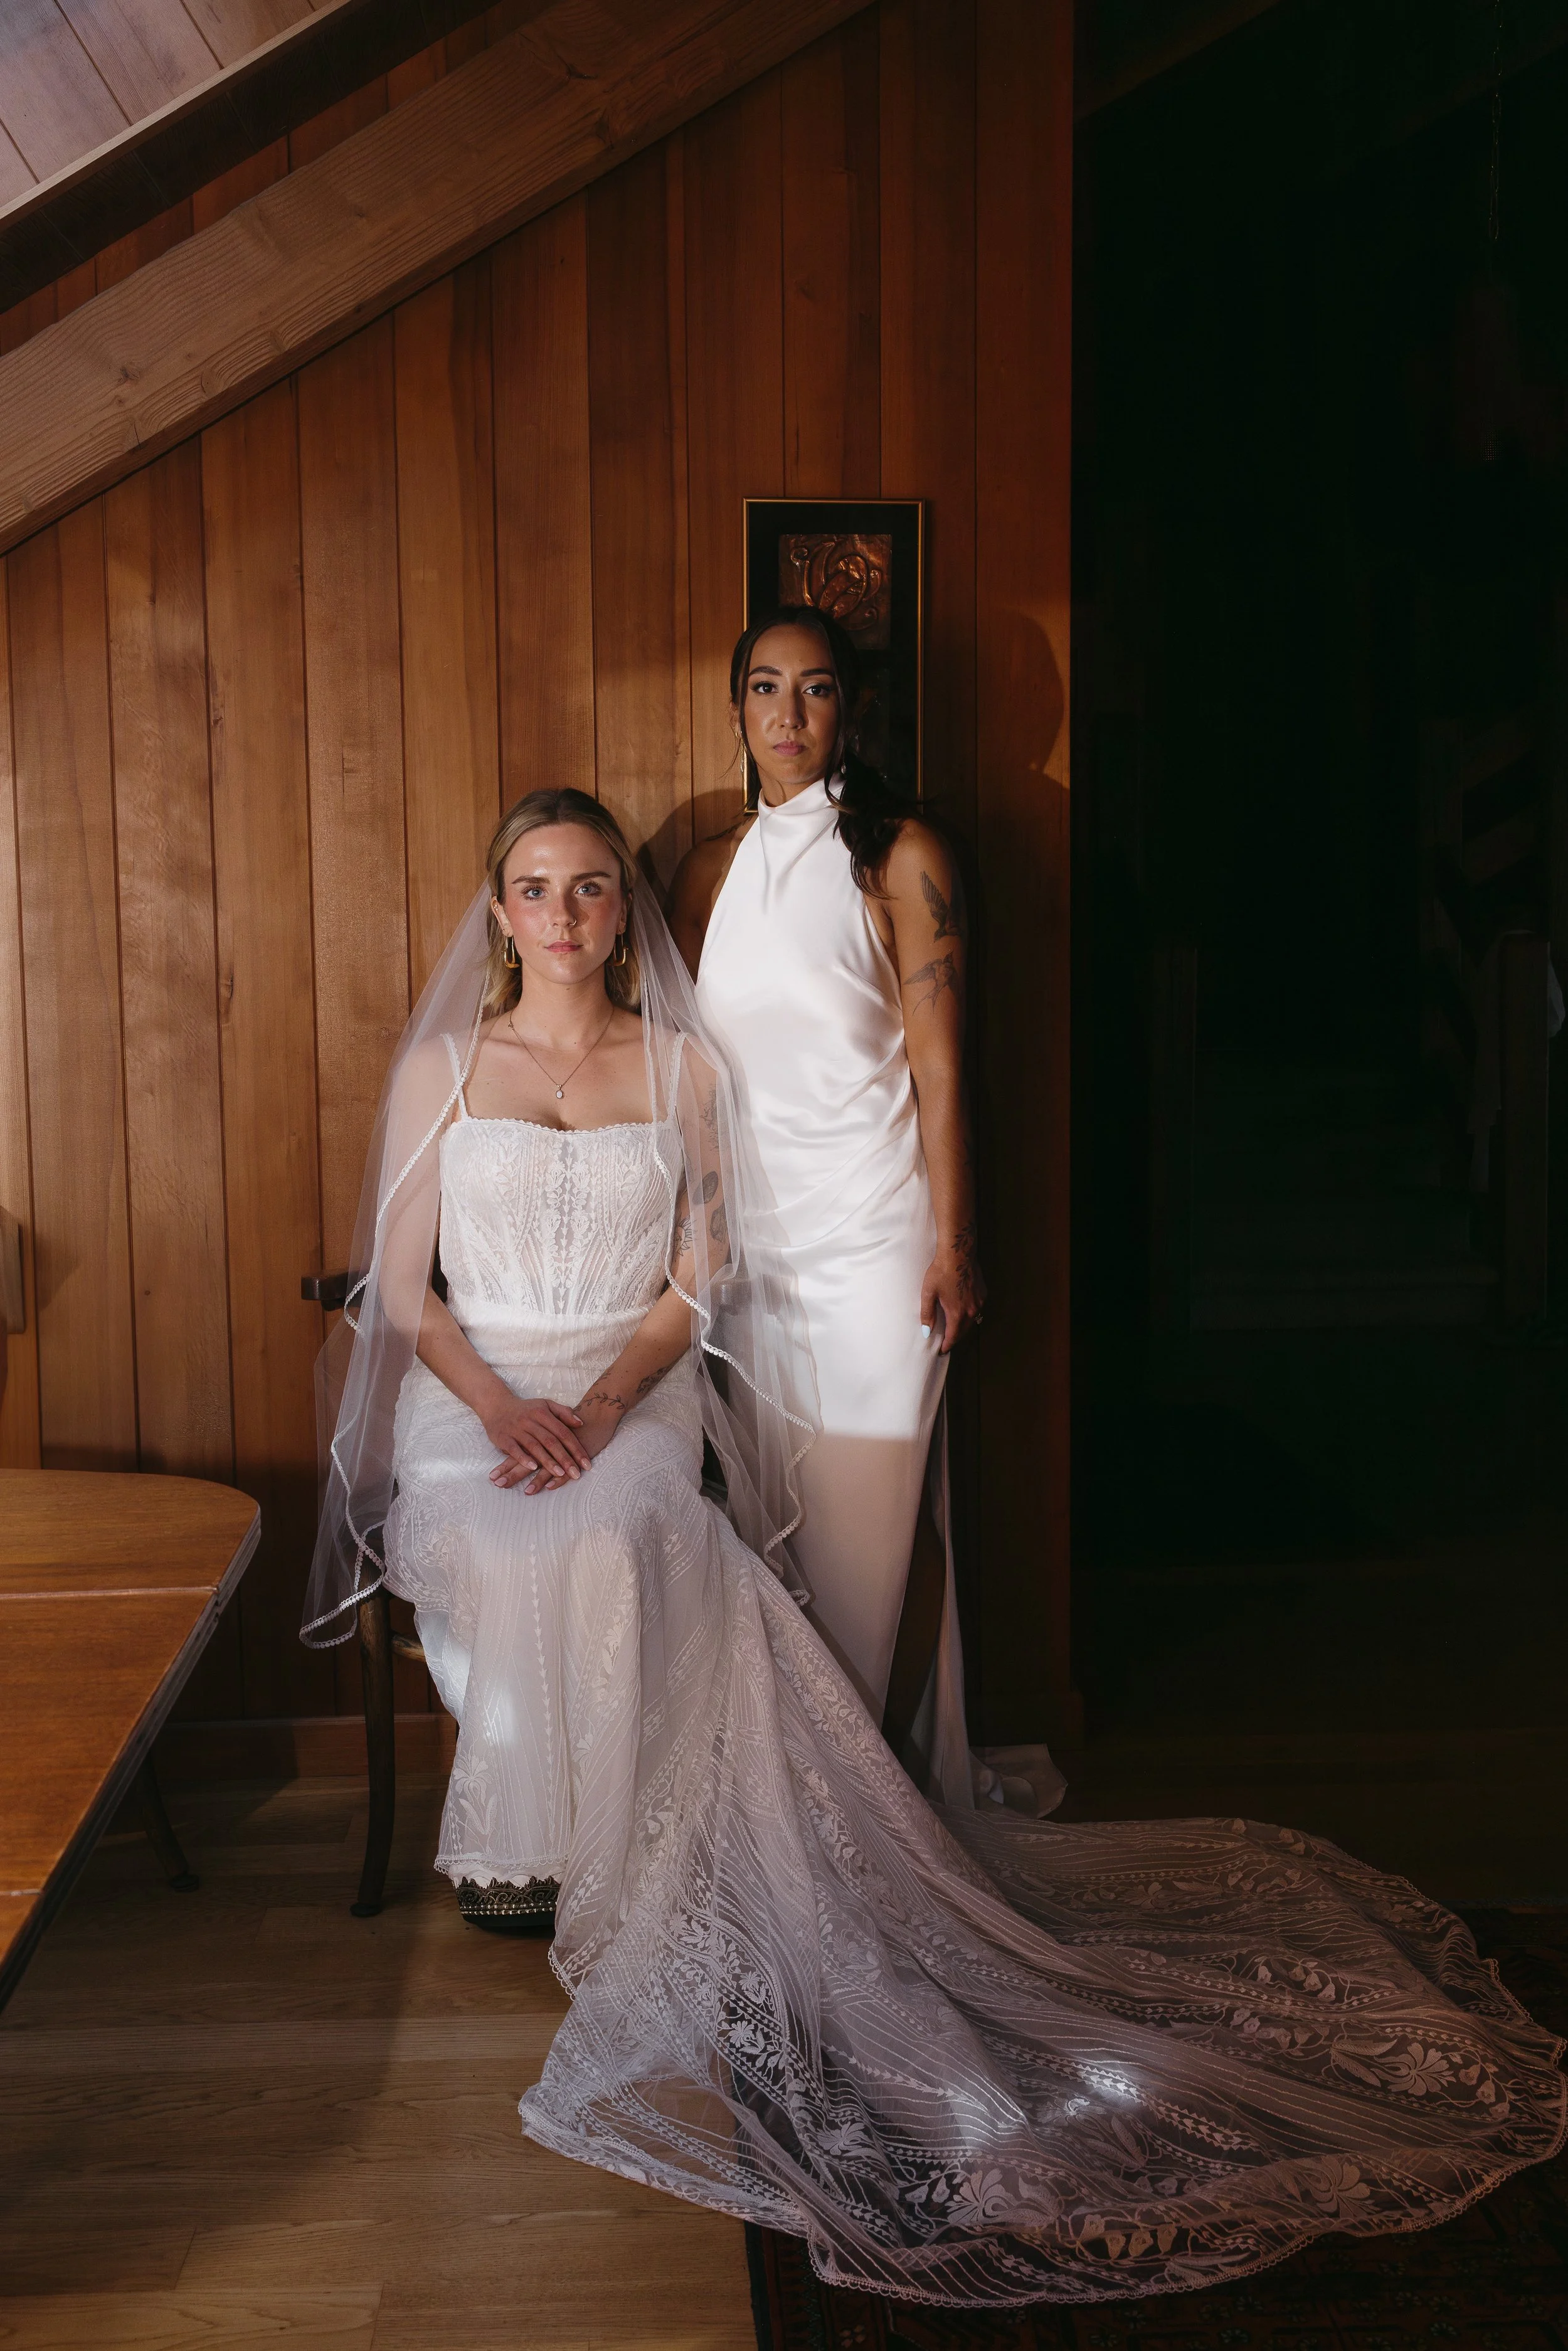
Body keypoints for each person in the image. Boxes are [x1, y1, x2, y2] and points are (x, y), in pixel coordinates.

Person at [302, 790, 1563, 2306]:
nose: (562, 914)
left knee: (631, 1514)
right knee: (518, 1524)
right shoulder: (445, 1066)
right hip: (482, 1397)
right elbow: (402, 1289)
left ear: (621, 915)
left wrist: (603, 1402)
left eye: (586, 889)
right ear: (496, 910)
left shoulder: (679, 1065)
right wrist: (512, 1408)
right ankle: (524, 1843)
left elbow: (698, 1269)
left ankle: (620, 1850)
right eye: (532, 889)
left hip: (626, 1385)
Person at [670, 607, 1055, 1810]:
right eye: (767, 688)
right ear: (736, 705)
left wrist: (957, 1243)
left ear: (853, 708)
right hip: (757, 1255)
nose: (789, 716)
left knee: (881, 1510)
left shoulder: (904, 855)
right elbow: (681, 1068)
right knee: (779, 1526)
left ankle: (892, 1791)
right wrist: (700, 1221)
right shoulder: (707, 872)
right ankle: (819, 1795)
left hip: (883, 1241)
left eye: (817, 688)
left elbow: (944, 1069)